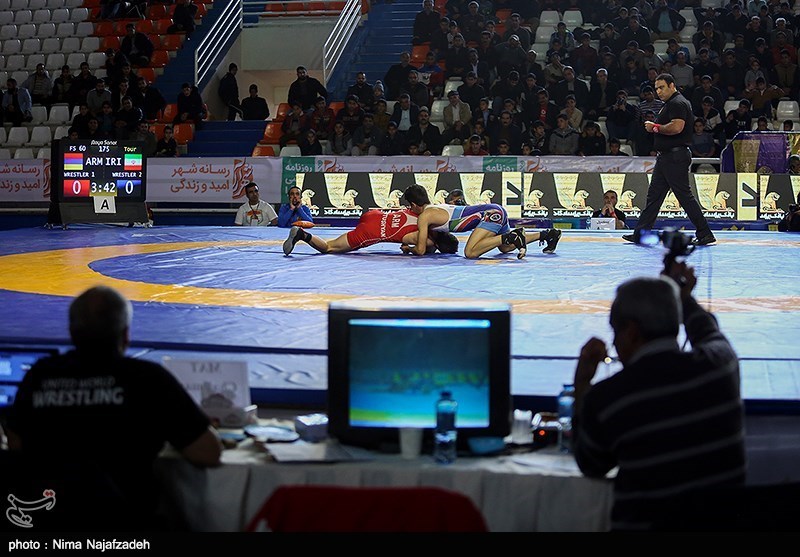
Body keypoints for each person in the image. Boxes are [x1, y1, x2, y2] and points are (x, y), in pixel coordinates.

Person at [5, 285, 222, 530]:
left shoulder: (40, 375)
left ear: (72, 332)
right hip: (125, 527)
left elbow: (15, 441)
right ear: (125, 334)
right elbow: (208, 452)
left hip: (49, 524)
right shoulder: (147, 379)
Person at [572, 262, 746, 531]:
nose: (614, 342)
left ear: (631, 332)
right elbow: (708, 332)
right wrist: (683, 297)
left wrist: (582, 384)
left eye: (615, 331)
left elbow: (591, 464)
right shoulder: (721, 366)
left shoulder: (611, 399)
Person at [623, 74, 717, 246]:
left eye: (662, 87)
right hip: (667, 156)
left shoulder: (677, 103)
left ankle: (705, 233)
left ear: (672, 85)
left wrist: (655, 128)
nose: (658, 91)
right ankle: (640, 233)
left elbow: (677, 127)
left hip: (674, 156)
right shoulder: (671, 103)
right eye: (656, 88)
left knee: (684, 196)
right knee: (654, 196)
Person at [282, 185, 458, 256]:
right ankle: (302, 235)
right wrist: (409, 249)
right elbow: (422, 250)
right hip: (372, 231)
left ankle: (301, 235)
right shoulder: (425, 237)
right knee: (329, 247)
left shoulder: (428, 212)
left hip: (375, 215)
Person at [410, 195, 562, 260]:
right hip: (495, 210)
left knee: (470, 252)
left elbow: (421, 250)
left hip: (490, 214)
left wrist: (409, 249)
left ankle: (512, 236)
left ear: (414, 205)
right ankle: (548, 234)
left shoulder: (424, 216)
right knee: (505, 248)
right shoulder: (436, 207)